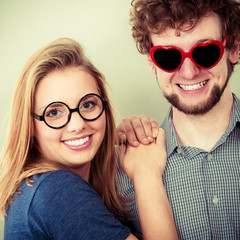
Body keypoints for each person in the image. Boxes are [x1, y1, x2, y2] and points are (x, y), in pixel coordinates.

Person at [0, 38, 177, 239]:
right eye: (53, 113)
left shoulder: (34, 188)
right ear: (29, 125)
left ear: (105, 108)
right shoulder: (57, 191)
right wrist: (146, 173)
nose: (77, 125)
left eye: (87, 105)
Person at [117, 0, 240, 239]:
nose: (188, 72)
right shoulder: (122, 176)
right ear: (152, 62)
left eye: (205, 51)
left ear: (234, 47)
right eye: (169, 57)